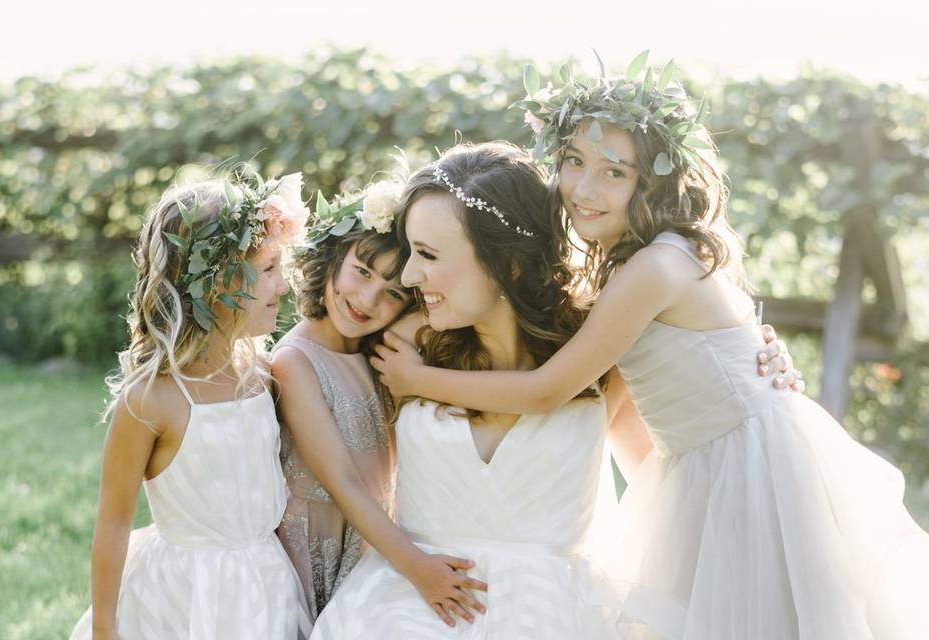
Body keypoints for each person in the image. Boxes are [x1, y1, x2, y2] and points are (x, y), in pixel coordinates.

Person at [373, 56, 929, 639]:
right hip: (699, 468)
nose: (584, 189)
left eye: (615, 172)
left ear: (654, 182)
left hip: (747, 469)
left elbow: (548, 389)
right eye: (572, 162)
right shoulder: (634, 270)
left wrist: (419, 381)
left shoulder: (655, 267)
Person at [312, 142, 798, 639]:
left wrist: (754, 372)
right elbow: (304, 357)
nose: (411, 276)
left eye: (429, 255)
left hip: (559, 618)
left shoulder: (602, 355)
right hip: (402, 612)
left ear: (509, 265)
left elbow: (662, 477)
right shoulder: (398, 345)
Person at [70, 172, 312, 640]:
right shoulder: (150, 401)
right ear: (215, 282)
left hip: (266, 580)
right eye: (268, 269)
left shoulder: (263, 374)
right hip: (184, 593)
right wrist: (105, 626)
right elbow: (114, 520)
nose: (282, 287)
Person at [272, 180, 487, 626]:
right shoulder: (294, 363)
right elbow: (343, 482)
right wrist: (417, 568)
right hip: (315, 550)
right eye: (361, 272)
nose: (367, 301)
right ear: (333, 257)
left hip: (374, 544)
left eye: (393, 292)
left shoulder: (384, 354)